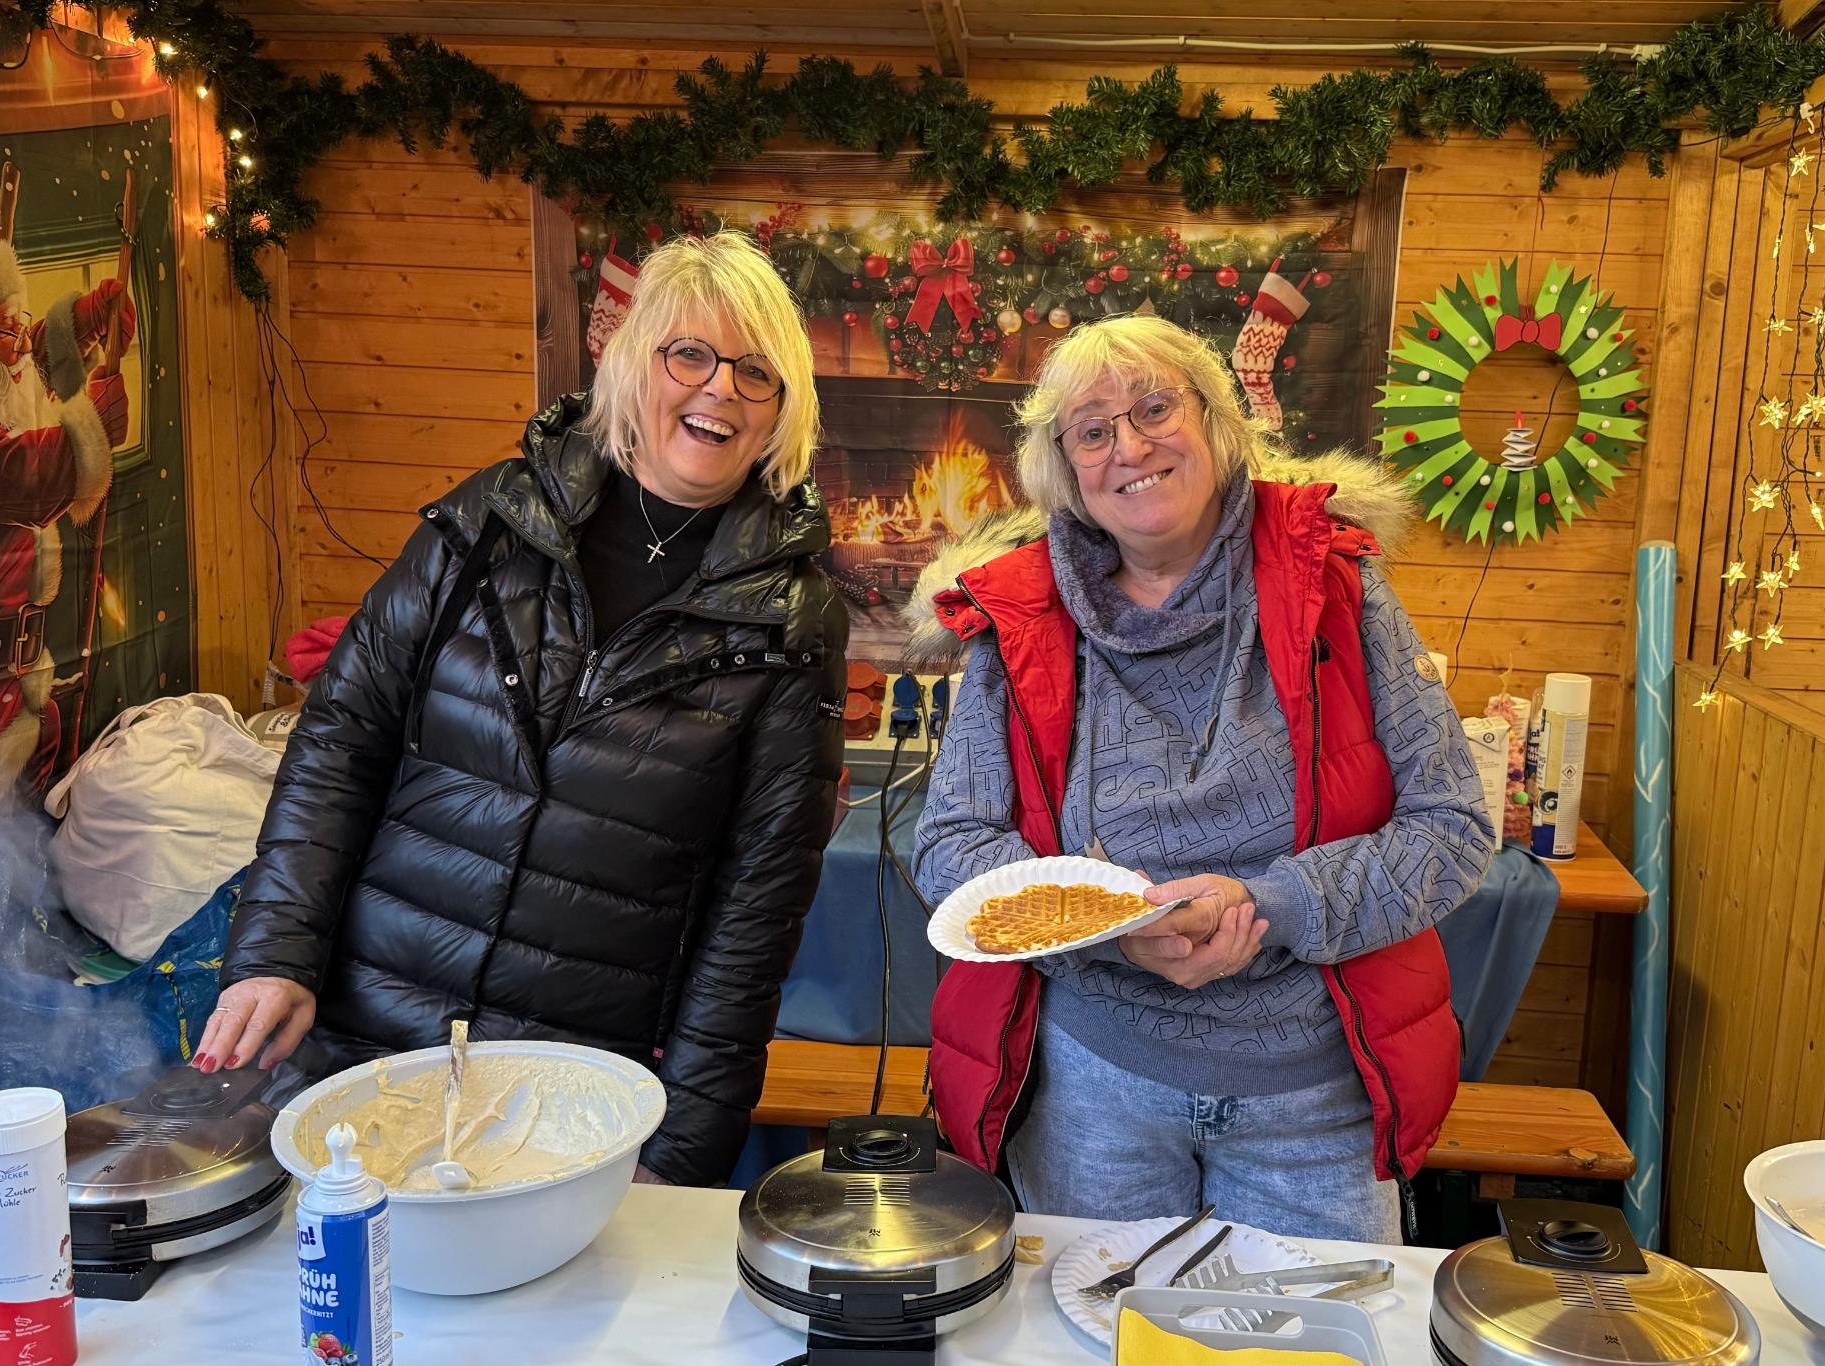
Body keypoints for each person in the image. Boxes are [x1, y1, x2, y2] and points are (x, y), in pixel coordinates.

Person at [202, 231, 848, 1187]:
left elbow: (756, 907)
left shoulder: (794, 621)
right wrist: (274, 953)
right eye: (691, 355)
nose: (720, 389)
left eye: (756, 374)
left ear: (781, 413)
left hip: (573, 1097)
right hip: (359, 1048)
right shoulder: (489, 524)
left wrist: (681, 1157)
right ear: (634, 362)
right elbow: (341, 742)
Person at [908, 314, 1493, 1241]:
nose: (1129, 447)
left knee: (1313, 1347)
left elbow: (1453, 828)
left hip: (1313, 1103)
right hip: (1091, 1094)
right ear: (1065, 466)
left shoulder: (1338, 585)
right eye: (1093, 431)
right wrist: (1110, 929)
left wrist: (1267, 906)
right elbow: (950, 850)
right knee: (1096, 1337)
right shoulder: (1020, 617)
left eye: (1153, 409)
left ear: (1218, 422)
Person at [0, 214, 132, 1121]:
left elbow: (69, 434)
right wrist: (68, 368)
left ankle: (0, 1086)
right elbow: (45, 473)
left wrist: (78, 336)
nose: (14, 349)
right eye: (2, 328)